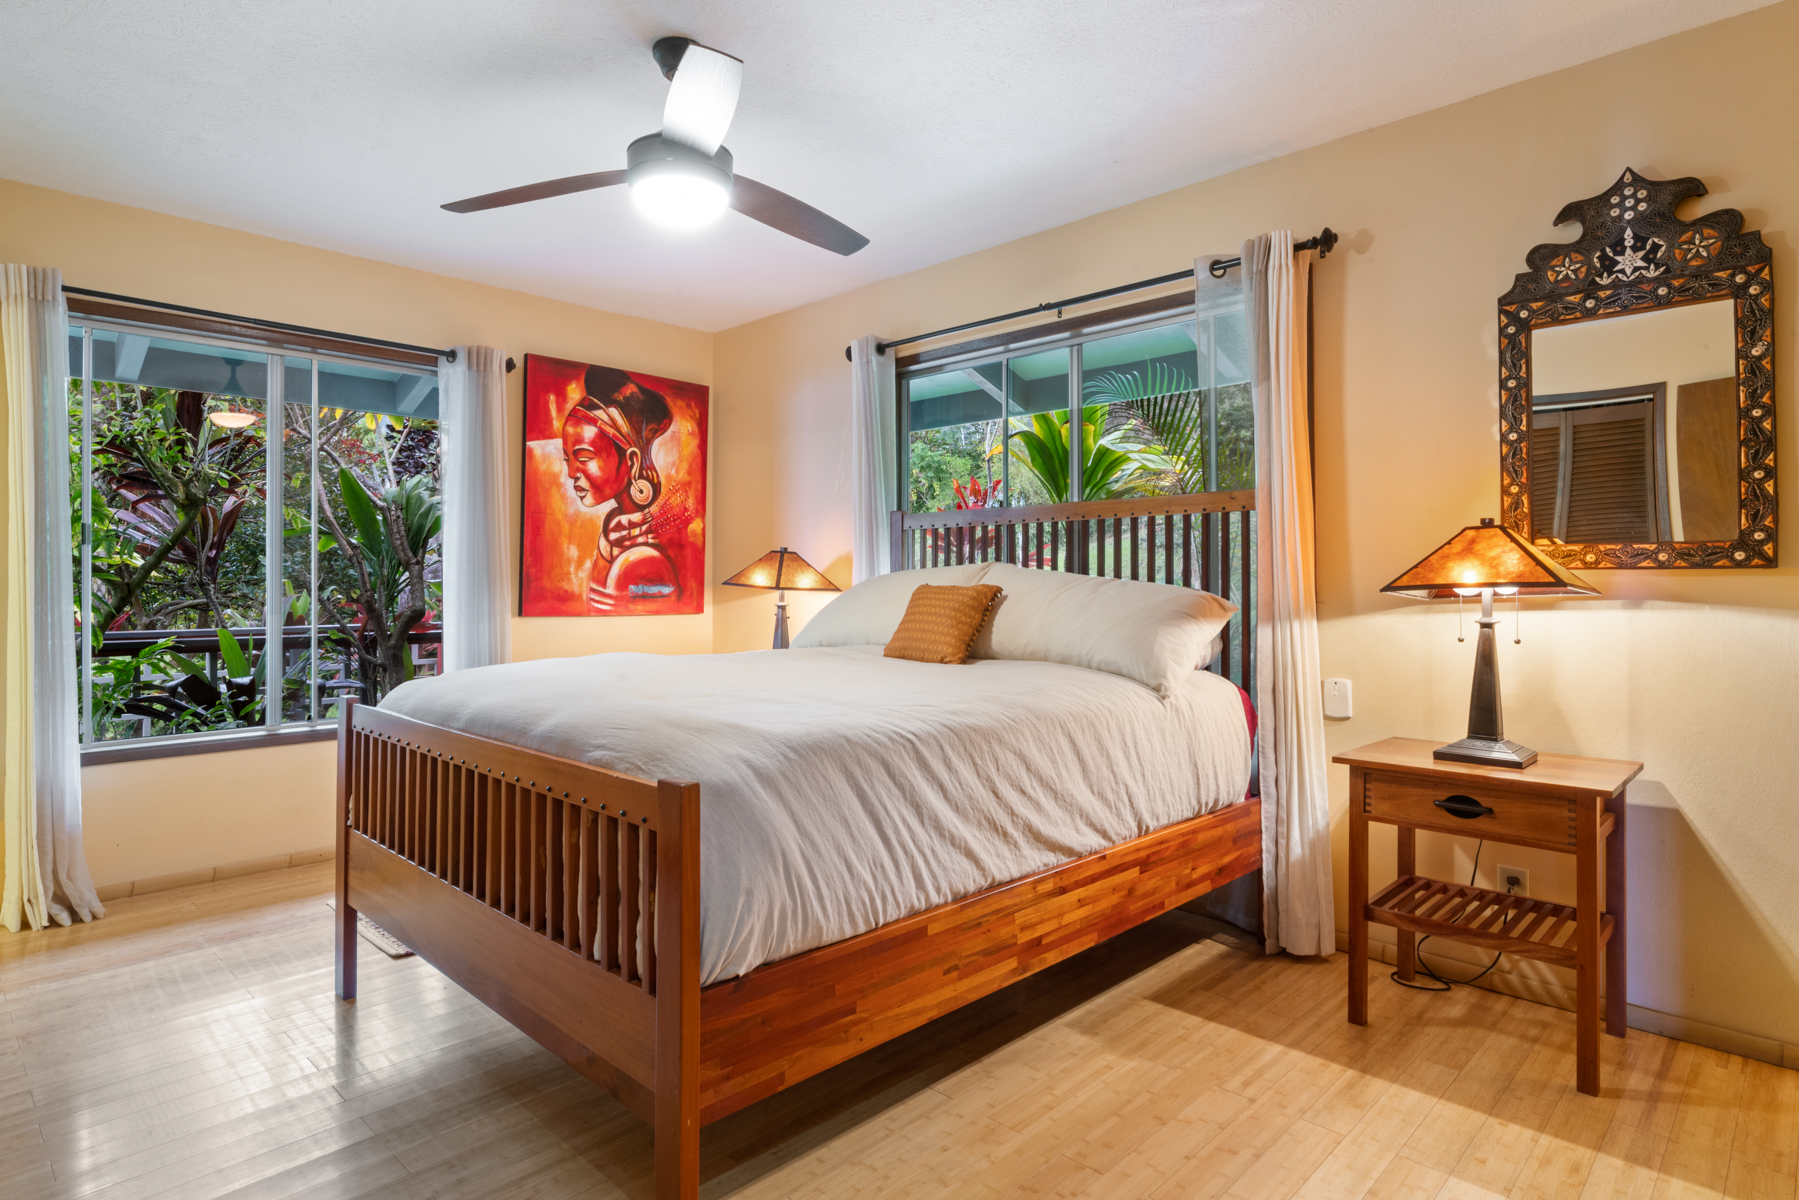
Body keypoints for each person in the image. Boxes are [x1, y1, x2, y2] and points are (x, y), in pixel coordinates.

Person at [560, 366, 681, 613]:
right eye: (567, 459)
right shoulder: (613, 539)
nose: (572, 472)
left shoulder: (642, 562)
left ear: (632, 462)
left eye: (584, 458)